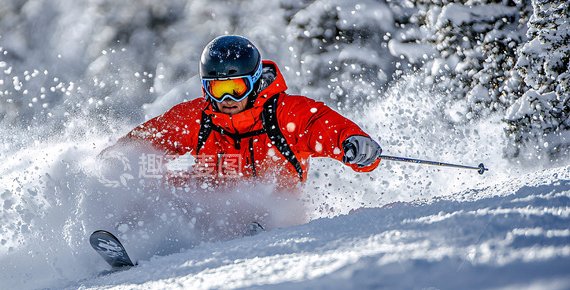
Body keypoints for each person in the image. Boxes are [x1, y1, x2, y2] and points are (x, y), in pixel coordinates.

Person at [111, 35, 382, 190]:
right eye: (218, 90)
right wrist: (113, 163)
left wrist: (353, 145)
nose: (227, 99)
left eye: (236, 87)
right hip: (207, 209)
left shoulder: (284, 114)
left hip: (277, 210)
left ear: (253, 82)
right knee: (161, 181)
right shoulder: (199, 117)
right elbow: (148, 139)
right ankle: (136, 232)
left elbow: (319, 124)